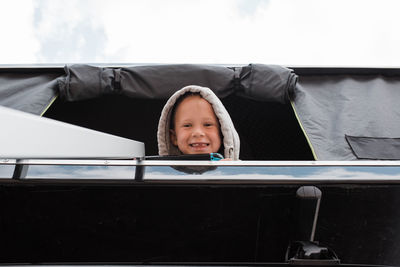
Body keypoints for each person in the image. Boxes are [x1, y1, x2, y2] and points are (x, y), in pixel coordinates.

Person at [157, 85, 240, 160]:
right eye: (187, 125)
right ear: (174, 137)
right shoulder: (160, 175)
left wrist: (228, 171)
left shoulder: (240, 173)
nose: (198, 133)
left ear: (222, 133)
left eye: (207, 125)